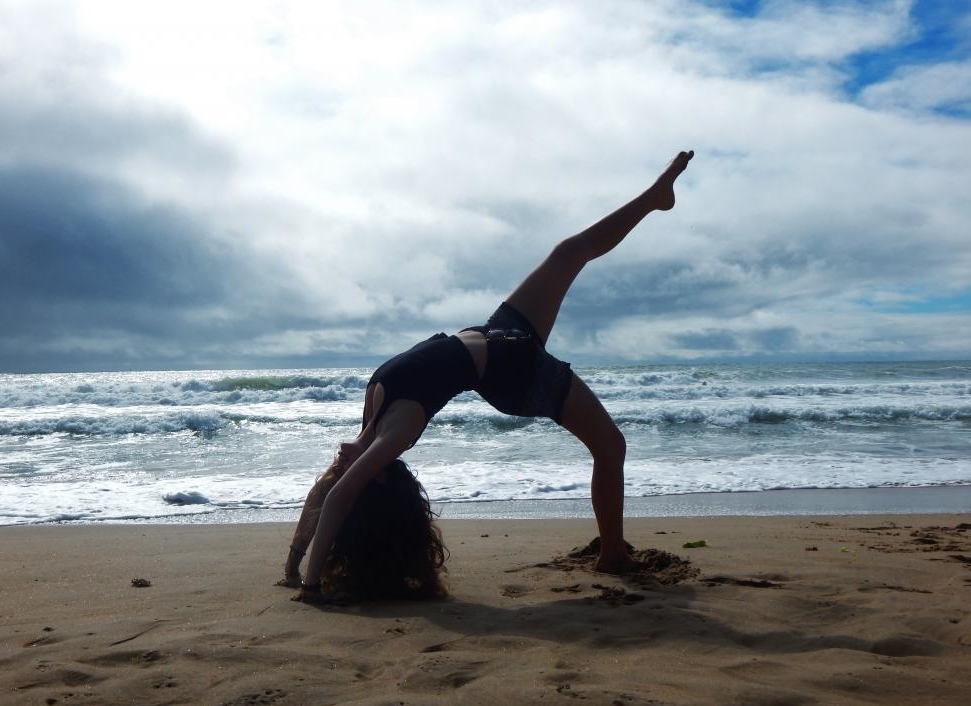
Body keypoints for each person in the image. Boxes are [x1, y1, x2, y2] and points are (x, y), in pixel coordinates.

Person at [281, 150, 694, 601]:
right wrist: (312, 586)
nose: (337, 461)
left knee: (569, 252)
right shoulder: (397, 430)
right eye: (350, 470)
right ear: (375, 476)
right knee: (611, 445)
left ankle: (654, 197)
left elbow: (324, 492)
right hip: (516, 373)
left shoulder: (373, 408)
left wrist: (292, 565)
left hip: (499, 332)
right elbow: (339, 496)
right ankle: (613, 554)